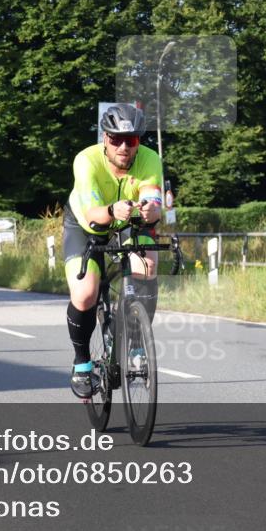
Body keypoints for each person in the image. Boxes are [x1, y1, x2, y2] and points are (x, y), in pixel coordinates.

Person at [63, 103, 163, 398]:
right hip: (87, 224)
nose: (123, 147)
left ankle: (136, 345)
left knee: (147, 266)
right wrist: (111, 210)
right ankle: (82, 363)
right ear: (105, 138)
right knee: (85, 293)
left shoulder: (150, 159)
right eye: (116, 139)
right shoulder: (86, 160)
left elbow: (154, 203)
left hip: (130, 221)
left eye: (130, 140)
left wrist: (151, 211)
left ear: (138, 141)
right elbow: (93, 214)